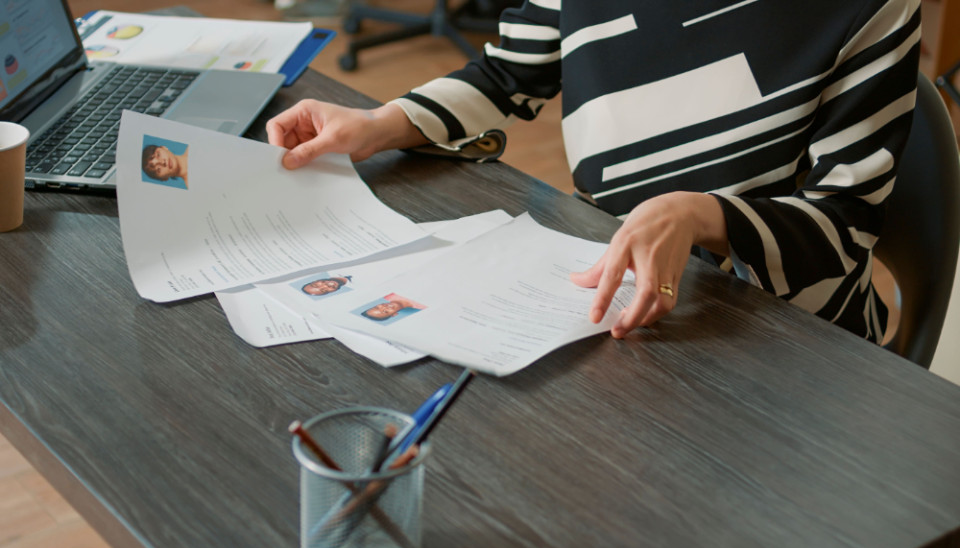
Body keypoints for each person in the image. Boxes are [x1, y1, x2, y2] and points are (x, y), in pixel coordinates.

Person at [267, 0, 921, 343]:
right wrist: (380, 124)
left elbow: (844, 224)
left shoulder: (871, 4)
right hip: (611, 299)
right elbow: (504, 76)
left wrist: (702, 214)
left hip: (789, 336)